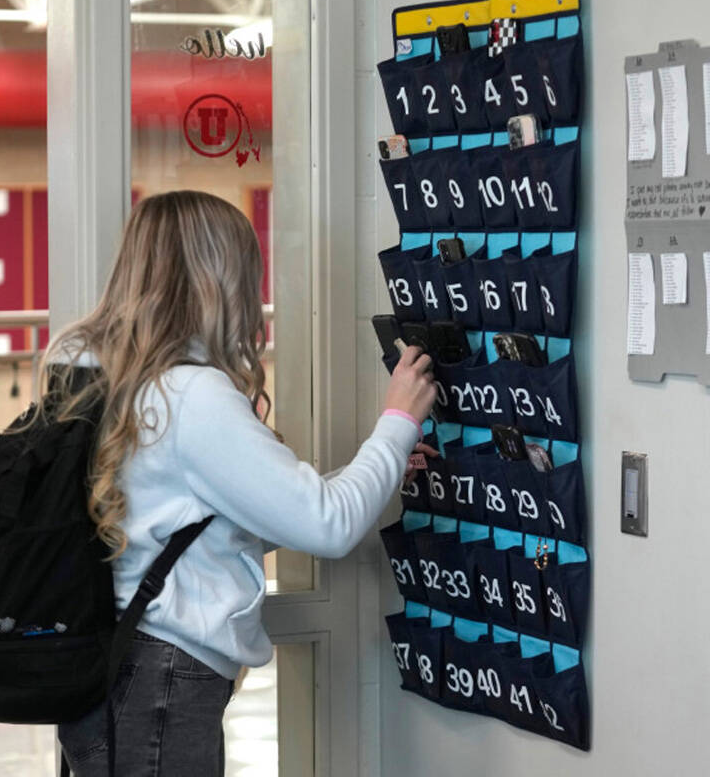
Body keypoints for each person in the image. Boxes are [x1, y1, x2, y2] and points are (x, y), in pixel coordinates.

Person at [46, 191, 437, 775]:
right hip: (161, 683)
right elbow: (326, 525)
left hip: (114, 671)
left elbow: (203, 521)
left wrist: (374, 471)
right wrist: (399, 421)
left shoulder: (104, 374)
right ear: (217, 276)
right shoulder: (192, 396)